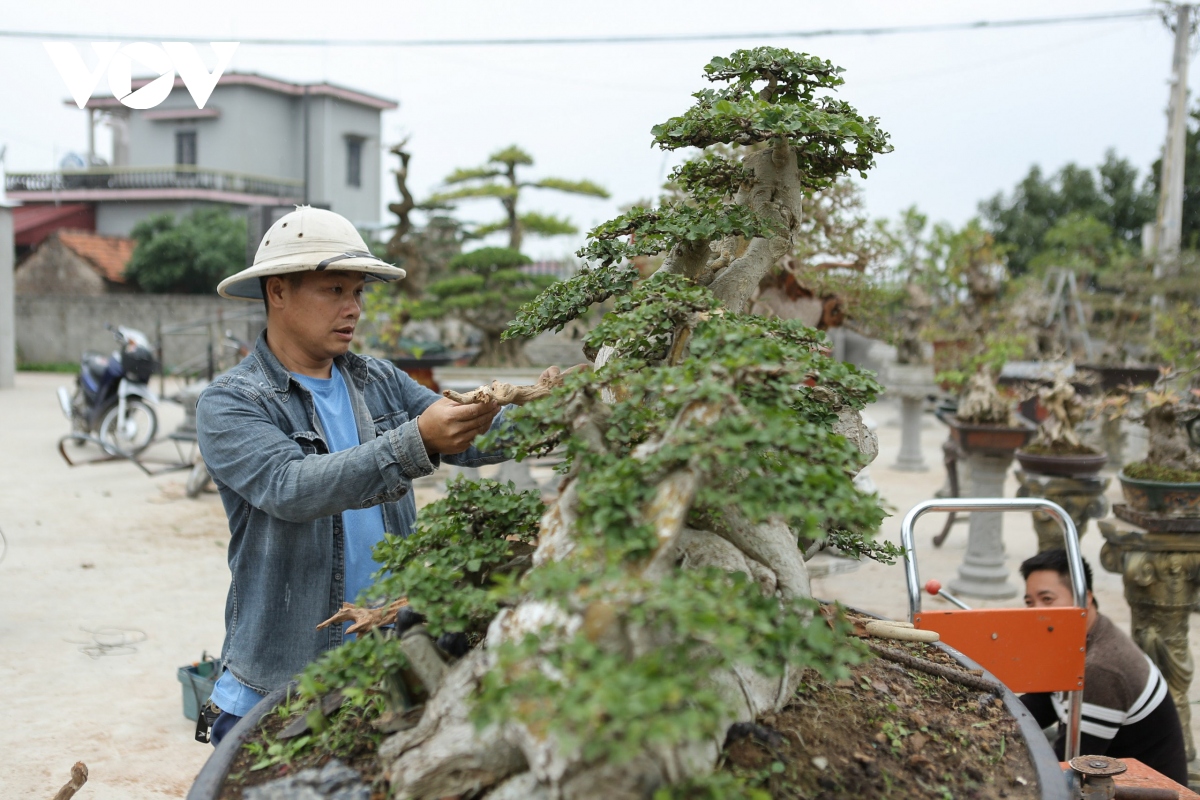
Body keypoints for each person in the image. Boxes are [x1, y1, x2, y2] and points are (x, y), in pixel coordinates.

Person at [195, 206, 531, 745]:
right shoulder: (232, 403)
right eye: (334, 289)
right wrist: (416, 440)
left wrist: (578, 412)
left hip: (383, 662)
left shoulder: (378, 379)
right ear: (277, 292)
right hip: (281, 687)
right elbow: (291, 487)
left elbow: (471, 439)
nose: (353, 308)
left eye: (358, 292)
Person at [1018, 549, 1187, 784]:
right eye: (1030, 602)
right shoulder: (1078, 637)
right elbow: (1042, 704)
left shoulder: (1100, 670)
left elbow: (1067, 768)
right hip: (1107, 775)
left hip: (1144, 791)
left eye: (1047, 600)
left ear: (1085, 598)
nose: (1036, 612)